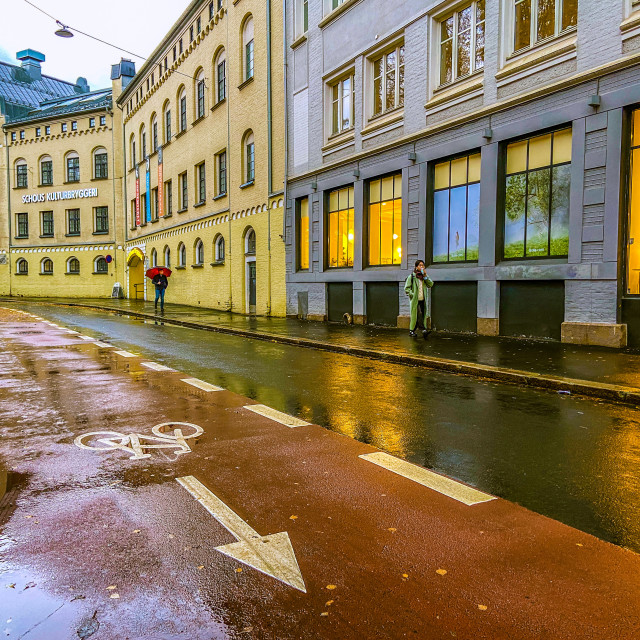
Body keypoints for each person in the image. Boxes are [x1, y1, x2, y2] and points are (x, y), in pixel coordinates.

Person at [404, 260, 433, 338]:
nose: (422, 267)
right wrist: (412, 295)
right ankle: (423, 330)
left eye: (423, 265)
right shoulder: (412, 276)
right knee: (418, 314)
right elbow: (406, 288)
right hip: (415, 300)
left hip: (422, 300)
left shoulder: (424, 277)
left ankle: (412, 331)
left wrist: (425, 276)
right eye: (420, 265)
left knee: (421, 315)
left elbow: (430, 284)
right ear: (416, 267)